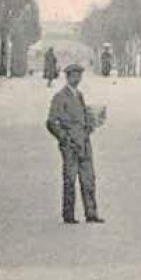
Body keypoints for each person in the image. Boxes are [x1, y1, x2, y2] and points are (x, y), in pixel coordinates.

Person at [46, 63, 103, 224]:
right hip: (70, 145)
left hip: (84, 143)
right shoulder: (60, 97)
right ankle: (68, 214)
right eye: (74, 76)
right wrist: (64, 139)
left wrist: (92, 123)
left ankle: (91, 213)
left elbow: (82, 118)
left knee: (89, 179)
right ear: (68, 77)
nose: (77, 79)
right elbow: (51, 122)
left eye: (79, 76)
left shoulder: (79, 95)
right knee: (70, 180)